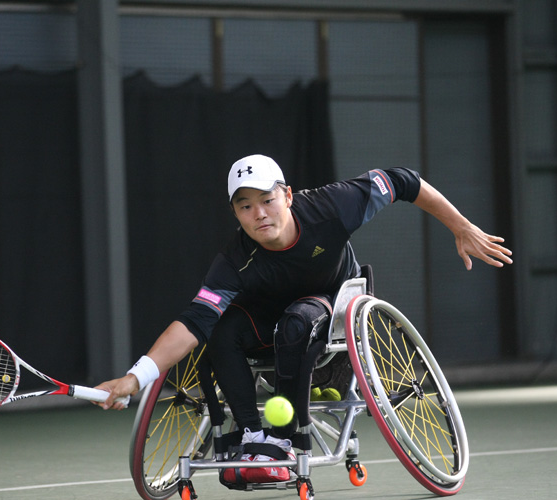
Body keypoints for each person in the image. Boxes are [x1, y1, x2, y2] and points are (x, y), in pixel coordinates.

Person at [95, 154, 512, 483]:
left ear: (288, 196)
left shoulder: (333, 207)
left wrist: (461, 227)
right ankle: (253, 436)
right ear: (235, 214)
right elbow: (192, 323)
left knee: (296, 323)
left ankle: (289, 436)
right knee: (219, 330)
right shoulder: (234, 259)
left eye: (267, 200)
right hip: (266, 313)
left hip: (327, 303)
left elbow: (404, 180)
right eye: (245, 206)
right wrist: (135, 378)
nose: (259, 213)